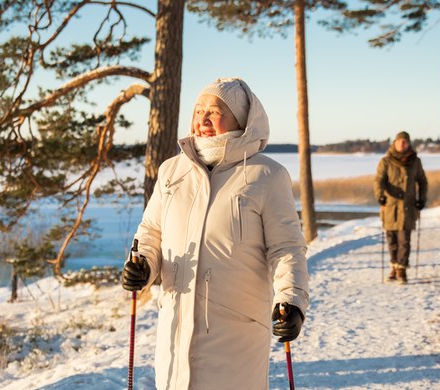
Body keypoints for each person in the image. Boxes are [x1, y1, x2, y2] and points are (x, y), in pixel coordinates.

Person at [121, 77, 310, 389]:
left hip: (236, 336)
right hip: (175, 330)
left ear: (241, 120)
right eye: (198, 110)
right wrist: (143, 264)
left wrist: (291, 300)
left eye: (214, 111)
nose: (202, 118)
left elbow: (286, 249)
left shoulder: (267, 174)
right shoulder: (172, 171)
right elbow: (151, 231)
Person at [374, 131, 428, 284]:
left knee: (404, 240)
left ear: (409, 143)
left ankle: (402, 270)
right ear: (395, 143)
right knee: (392, 240)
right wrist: (380, 195)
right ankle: (394, 267)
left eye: (405, 142)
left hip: (408, 207)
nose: (402, 144)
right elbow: (378, 181)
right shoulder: (386, 161)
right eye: (400, 142)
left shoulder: (415, 162)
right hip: (390, 207)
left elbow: (423, 181)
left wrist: (421, 199)